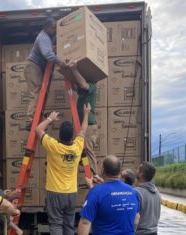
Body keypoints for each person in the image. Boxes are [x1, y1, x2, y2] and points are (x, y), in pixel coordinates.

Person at [35, 103, 91, 235]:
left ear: (59, 135)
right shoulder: (78, 146)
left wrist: (50, 119)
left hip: (54, 192)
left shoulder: (53, 145)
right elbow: (83, 129)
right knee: (69, 225)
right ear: (72, 136)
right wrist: (86, 113)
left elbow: (38, 130)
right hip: (71, 193)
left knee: (55, 224)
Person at [78, 155, 140, 235]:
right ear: (119, 171)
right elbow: (137, 216)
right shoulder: (132, 191)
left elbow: (85, 222)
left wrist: (91, 186)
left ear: (103, 170)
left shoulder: (96, 192)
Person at [25, 17, 65, 122]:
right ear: (46, 28)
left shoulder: (50, 36)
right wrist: (62, 62)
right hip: (33, 66)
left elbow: (58, 38)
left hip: (39, 67)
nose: (55, 30)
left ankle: (37, 119)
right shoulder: (43, 38)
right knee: (35, 92)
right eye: (53, 28)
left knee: (42, 92)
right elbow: (48, 55)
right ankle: (31, 121)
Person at [66, 60, 99, 177]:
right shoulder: (83, 88)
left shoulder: (92, 86)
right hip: (83, 124)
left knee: (89, 149)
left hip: (89, 123)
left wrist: (74, 69)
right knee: (80, 146)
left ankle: (94, 175)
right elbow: (76, 86)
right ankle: (81, 161)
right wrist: (68, 72)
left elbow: (83, 85)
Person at [135, 162, 161, 235]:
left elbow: (134, 216)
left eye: (137, 169)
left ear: (141, 174)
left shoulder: (136, 192)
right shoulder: (157, 193)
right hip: (154, 232)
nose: (136, 171)